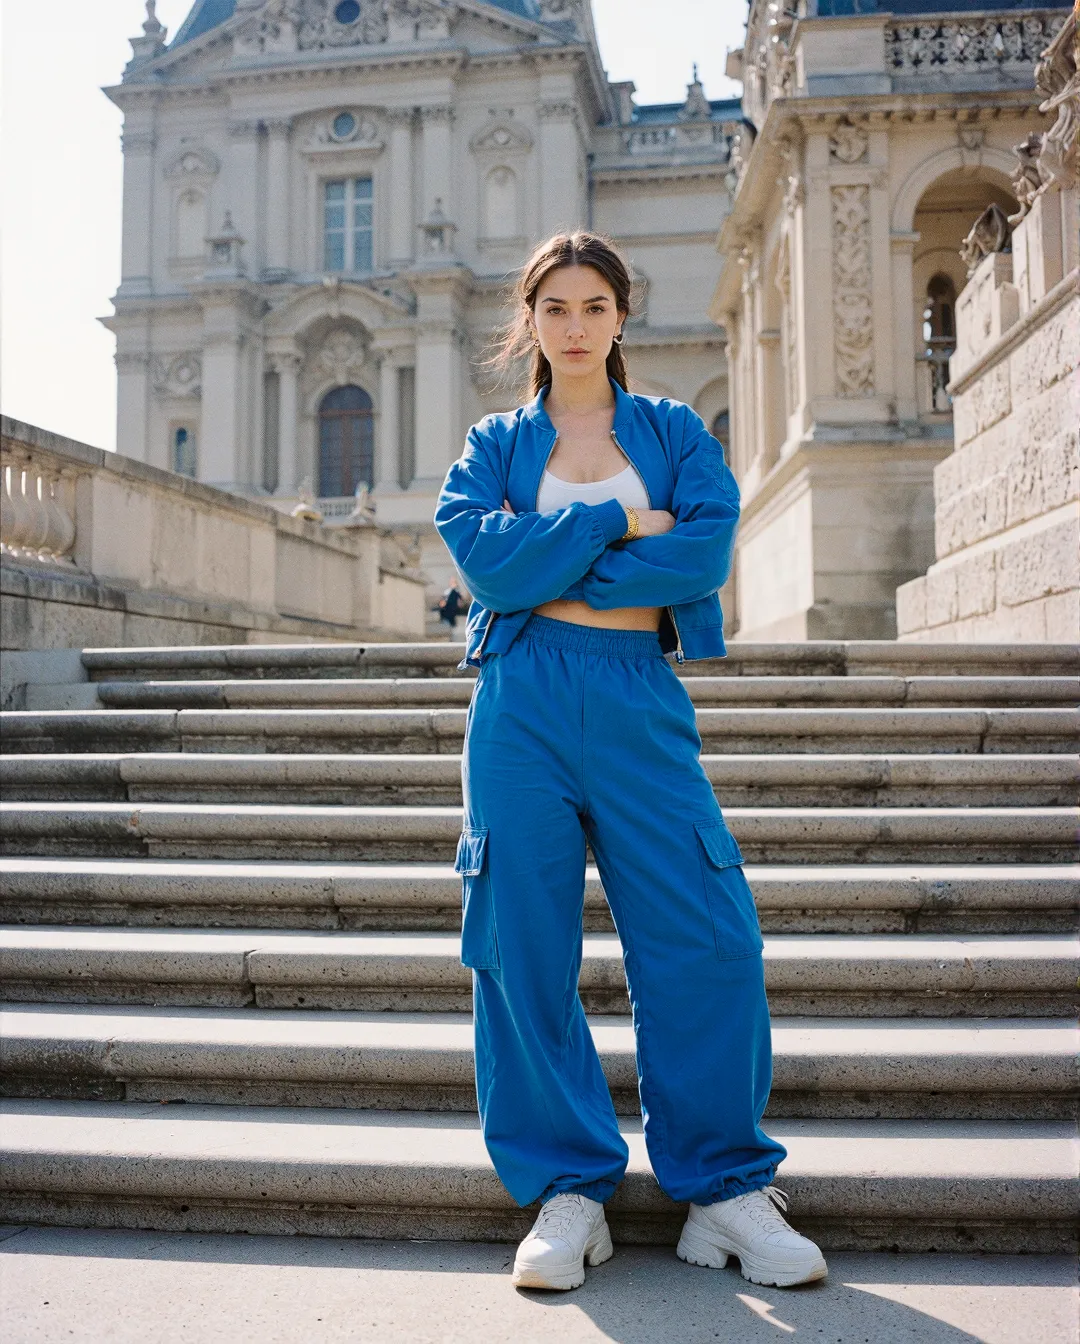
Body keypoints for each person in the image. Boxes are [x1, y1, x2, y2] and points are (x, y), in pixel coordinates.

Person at [434, 231, 826, 1292]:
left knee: (707, 933)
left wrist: (556, 558)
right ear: (532, 320)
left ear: (621, 315)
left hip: (637, 697)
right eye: (554, 306)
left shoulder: (673, 430)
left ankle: (726, 1190)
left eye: (593, 305)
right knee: (520, 941)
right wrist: (616, 520)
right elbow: (485, 564)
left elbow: (702, 547)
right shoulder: (493, 446)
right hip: (520, 706)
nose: (574, 324)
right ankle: (568, 1194)